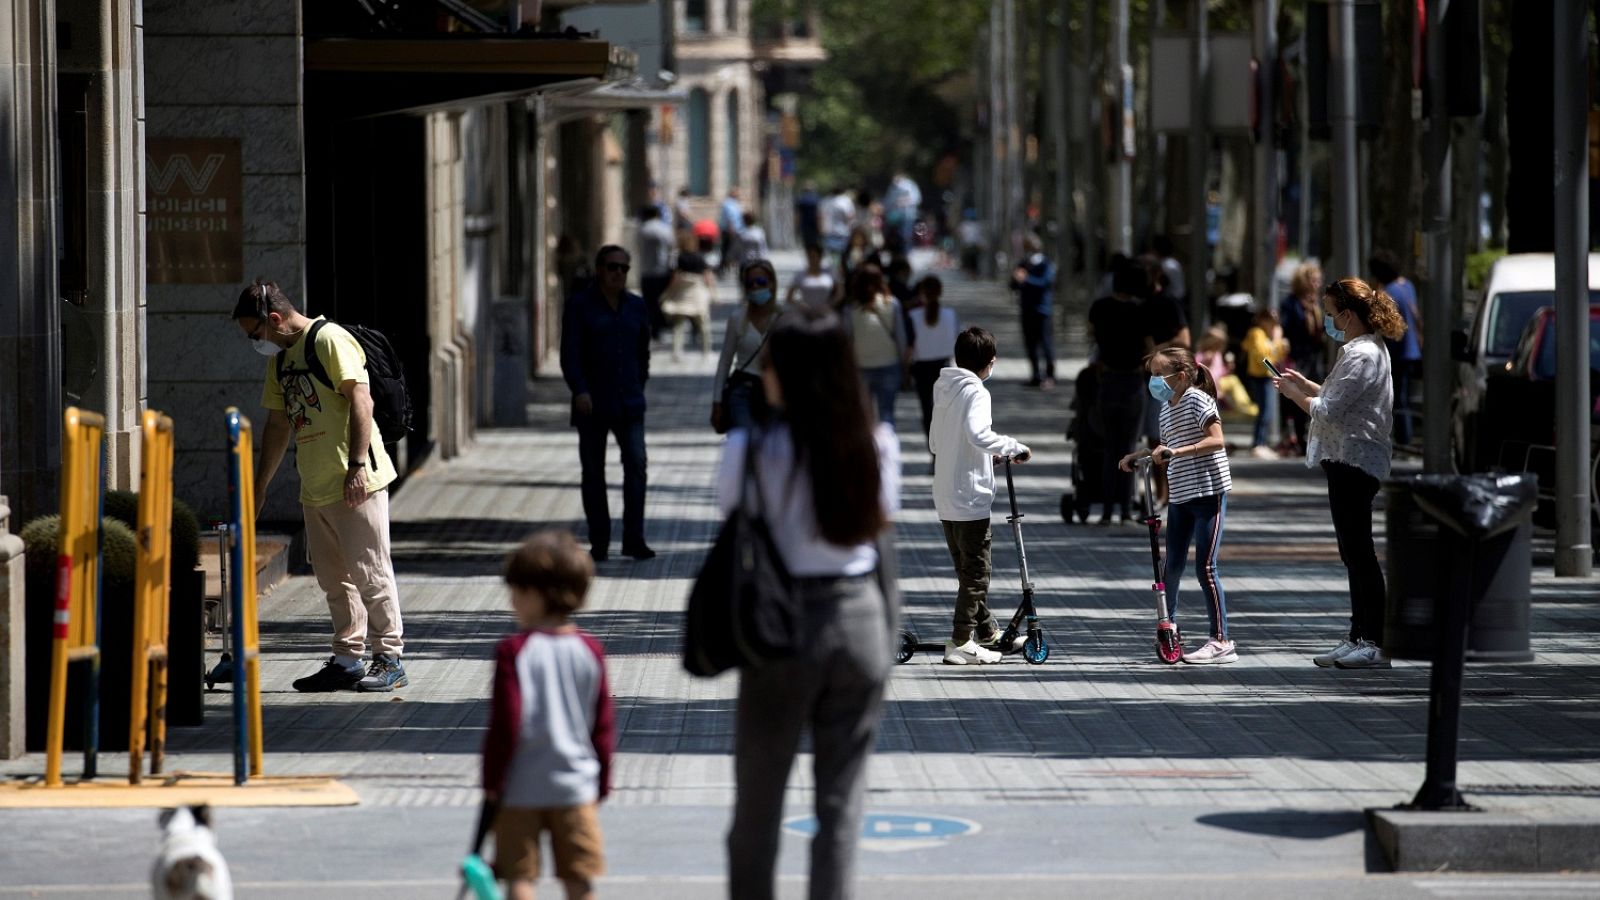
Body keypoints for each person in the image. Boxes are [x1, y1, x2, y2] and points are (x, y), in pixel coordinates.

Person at [720, 307, 899, 900]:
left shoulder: (751, 451)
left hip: (781, 629)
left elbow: (736, 526)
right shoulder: (876, 444)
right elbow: (884, 550)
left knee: (758, 807)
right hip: (858, 624)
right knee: (840, 809)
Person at [232, 280, 408, 693]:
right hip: (315, 484)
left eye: (254, 334)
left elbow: (361, 401)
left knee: (370, 571)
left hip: (355, 479)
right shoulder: (280, 361)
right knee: (334, 578)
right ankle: (348, 658)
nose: (254, 343)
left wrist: (357, 466)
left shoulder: (329, 340)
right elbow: (277, 424)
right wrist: (258, 488)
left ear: (274, 320)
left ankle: (389, 657)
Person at [1274, 277, 1408, 670]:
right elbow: (1341, 398)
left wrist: (1294, 395)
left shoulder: (1362, 355)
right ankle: (1357, 634)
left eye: (1332, 314)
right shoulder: (1361, 351)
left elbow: (1327, 410)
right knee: (1352, 551)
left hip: (1355, 459)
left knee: (1360, 552)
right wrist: (1304, 384)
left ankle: (1375, 640)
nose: (1329, 321)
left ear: (1348, 315)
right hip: (1346, 457)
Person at [483, 530, 613, 900]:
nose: (512, 601)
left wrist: (493, 780)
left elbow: (505, 726)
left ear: (537, 594)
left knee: (520, 875)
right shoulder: (591, 650)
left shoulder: (513, 651)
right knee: (578, 877)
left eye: (517, 591)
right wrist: (601, 780)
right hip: (575, 784)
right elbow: (601, 725)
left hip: (521, 784)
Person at [1119, 349, 1236, 664]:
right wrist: (1139, 455)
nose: (1154, 381)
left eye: (1159, 375)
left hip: (1209, 492)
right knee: (1171, 565)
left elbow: (1216, 440)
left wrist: (1178, 452)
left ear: (1181, 376)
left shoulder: (1198, 400)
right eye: (1152, 375)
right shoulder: (1165, 407)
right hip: (1181, 496)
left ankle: (1222, 640)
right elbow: (1163, 446)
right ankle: (1168, 626)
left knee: (1206, 568)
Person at [929, 327, 1032, 665]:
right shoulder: (977, 392)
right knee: (976, 572)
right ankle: (960, 640)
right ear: (989, 363)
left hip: (945, 492)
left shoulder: (944, 387)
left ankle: (987, 631)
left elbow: (935, 442)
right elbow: (977, 434)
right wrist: (1013, 446)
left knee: (966, 569)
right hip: (969, 495)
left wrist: (976, 453)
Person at [561, 245, 654, 562]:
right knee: (593, 473)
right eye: (613, 267)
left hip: (629, 402)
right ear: (599, 269)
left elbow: (643, 352)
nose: (618, 274)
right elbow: (569, 355)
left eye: (624, 269)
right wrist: (580, 390)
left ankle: (634, 539)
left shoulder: (637, 306)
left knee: (637, 467)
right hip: (592, 404)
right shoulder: (579, 306)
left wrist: (640, 381)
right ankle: (599, 541)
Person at [1088, 258, 1157, 524]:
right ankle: (1126, 508)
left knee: (1109, 447)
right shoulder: (1140, 312)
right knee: (1129, 447)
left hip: (1108, 380)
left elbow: (1093, 335)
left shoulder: (1100, 308)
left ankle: (1106, 509)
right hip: (1132, 381)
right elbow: (1150, 348)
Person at [713, 259, 783, 433]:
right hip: (743, 390)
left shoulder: (784, 318)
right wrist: (717, 401)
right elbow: (725, 362)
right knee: (744, 439)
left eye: (761, 282)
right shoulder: (738, 318)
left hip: (774, 392)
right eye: (750, 283)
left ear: (772, 284)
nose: (756, 287)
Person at [842, 265, 907, 427]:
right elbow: (901, 338)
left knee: (864, 416)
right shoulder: (892, 304)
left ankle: (869, 449)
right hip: (889, 364)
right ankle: (887, 448)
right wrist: (905, 364)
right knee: (887, 413)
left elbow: (847, 341)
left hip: (861, 367)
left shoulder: (851, 308)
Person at [1369, 249, 1422, 447]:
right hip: (1413, 350)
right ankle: (1404, 438)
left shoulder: (1387, 294)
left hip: (1396, 352)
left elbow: (1383, 326)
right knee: (1404, 396)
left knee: (1397, 397)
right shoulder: (1407, 286)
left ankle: (1402, 439)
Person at [1279, 261, 1327, 454]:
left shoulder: (1317, 304)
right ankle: (1298, 439)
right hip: (1297, 357)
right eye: (1313, 281)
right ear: (1304, 281)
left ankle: (1312, 437)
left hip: (1314, 357)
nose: (1317, 284)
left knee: (1317, 395)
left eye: (1318, 281)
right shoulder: (1291, 303)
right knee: (1297, 398)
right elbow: (1285, 328)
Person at [907, 276, 957, 436]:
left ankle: (932, 446)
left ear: (922, 292)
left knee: (927, 410)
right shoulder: (950, 315)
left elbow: (909, 346)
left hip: (921, 367)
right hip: (944, 366)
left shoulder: (913, 315)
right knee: (943, 410)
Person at [1240, 307, 1290, 457]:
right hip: (1260, 376)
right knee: (1265, 412)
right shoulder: (1257, 333)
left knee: (1267, 411)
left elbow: (1276, 356)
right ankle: (1258, 444)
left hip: (1264, 376)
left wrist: (1279, 347)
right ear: (1262, 320)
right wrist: (1277, 343)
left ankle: (1260, 442)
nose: (1273, 325)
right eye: (1270, 321)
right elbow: (1262, 357)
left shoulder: (1264, 335)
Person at [1010, 234, 1058, 388]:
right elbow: (1013, 285)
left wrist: (1026, 279)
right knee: (1030, 344)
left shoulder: (1045, 264)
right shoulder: (1023, 263)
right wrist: (1016, 278)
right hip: (1027, 309)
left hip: (1042, 310)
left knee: (1046, 343)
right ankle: (1036, 374)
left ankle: (1050, 375)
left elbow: (1045, 283)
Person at [660, 240, 715, 359]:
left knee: (678, 326)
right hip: (697, 294)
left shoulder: (681, 258)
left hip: (683, 294)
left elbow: (675, 277)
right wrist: (713, 293)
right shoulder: (700, 257)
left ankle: (676, 352)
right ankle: (706, 351)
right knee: (703, 325)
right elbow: (707, 276)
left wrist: (667, 293)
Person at [1195, 329, 1258, 418]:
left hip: (1216, 388)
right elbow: (1195, 371)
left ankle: (1245, 406)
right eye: (1216, 342)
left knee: (1233, 380)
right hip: (1206, 389)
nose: (1217, 345)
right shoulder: (1201, 354)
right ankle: (1244, 406)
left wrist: (1227, 369)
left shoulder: (1217, 355)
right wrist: (1204, 361)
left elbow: (1218, 373)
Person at [637, 205, 676, 340]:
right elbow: (672, 246)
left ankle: (654, 328)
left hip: (646, 270)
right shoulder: (664, 229)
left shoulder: (641, 229)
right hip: (662, 270)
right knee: (662, 300)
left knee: (649, 302)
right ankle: (663, 325)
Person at [786, 242, 841, 310]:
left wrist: (830, 304)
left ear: (820, 257)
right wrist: (800, 305)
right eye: (809, 256)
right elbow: (789, 297)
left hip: (825, 310)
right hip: (806, 311)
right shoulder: (800, 274)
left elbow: (840, 293)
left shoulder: (830, 273)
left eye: (814, 256)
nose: (812, 260)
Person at [884, 171, 922, 253]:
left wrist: (903, 201)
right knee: (895, 235)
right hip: (895, 216)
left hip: (908, 214)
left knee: (906, 235)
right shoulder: (893, 187)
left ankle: (907, 252)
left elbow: (916, 198)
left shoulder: (910, 185)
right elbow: (888, 201)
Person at [1151, 234, 1187, 307]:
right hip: (1178, 299)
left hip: (1172, 301)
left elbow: (1160, 287)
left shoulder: (1165, 266)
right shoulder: (1174, 263)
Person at [822, 185, 857, 260]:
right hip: (843, 231)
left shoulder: (826, 200)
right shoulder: (845, 200)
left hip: (829, 231)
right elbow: (850, 216)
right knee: (843, 255)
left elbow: (821, 216)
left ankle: (835, 269)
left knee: (833, 255)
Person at [717, 186, 745, 277]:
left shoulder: (734, 203)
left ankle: (725, 268)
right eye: (737, 192)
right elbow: (730, 218)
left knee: (729, 251)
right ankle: (722, 269)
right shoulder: (729, 203)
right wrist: (731, 230)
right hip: (730, 231)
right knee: (727, 251)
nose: (739, 194)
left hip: (736, 231)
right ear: (732, 193)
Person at [795, 181, 822, 249]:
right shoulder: (817, 199)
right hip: (814, 226)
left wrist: (797, 226)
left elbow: (798, 215)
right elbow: (818, 215)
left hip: (805, 226)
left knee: (807, 244)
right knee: (815, 244)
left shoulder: (800, 199)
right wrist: (820, 227)